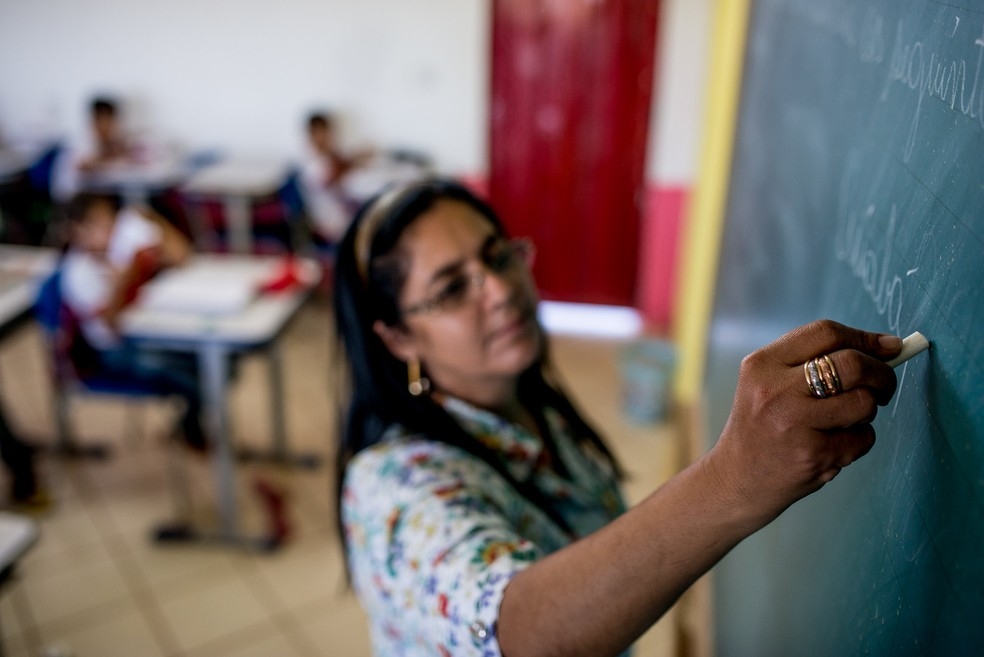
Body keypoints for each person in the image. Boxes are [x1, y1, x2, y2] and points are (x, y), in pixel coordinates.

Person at [332, 178, 904, 656]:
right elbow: (515, 629)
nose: (502, 289)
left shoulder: (528, 404)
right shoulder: (391, 488)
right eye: (453, 288)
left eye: (498, 255)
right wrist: (734, 477)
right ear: (399, 337)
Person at [59, 192, 206, 451]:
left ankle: (189, 423)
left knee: (215, 361)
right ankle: (191, 427)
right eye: (97, 224)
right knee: (193, 376)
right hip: (112, 351)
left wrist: (152, 219)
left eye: (110, 221)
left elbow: (182, 256)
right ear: (76, 231)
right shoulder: (78, 271)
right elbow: (111, 325)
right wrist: (125, 278)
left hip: (152, 332)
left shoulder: (120, 249)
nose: (109, 230)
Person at [298, 112, 372, 243]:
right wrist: (355, 160)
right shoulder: (311, 165)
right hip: (330, 225)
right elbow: (333, 175)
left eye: (327, 132)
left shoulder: (329, 158)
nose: (326, 138)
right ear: (312, 135)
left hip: (345, 216)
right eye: (321, 133)